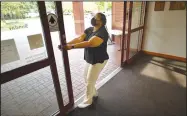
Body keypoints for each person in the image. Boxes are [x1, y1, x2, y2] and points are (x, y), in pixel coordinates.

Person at [58, 13, 109, 108]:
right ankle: (94, 93)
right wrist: (66, 44)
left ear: (101, 21)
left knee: (90, 81)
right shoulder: (90, 29)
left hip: (99, 60)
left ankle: (87, 101)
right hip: (91, 59)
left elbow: (90, 43)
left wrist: (72, 47)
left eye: (95, 18)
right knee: (86, 77)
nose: (93, 19)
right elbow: (79, 38)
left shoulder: (103, 33)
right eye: (93, 17)